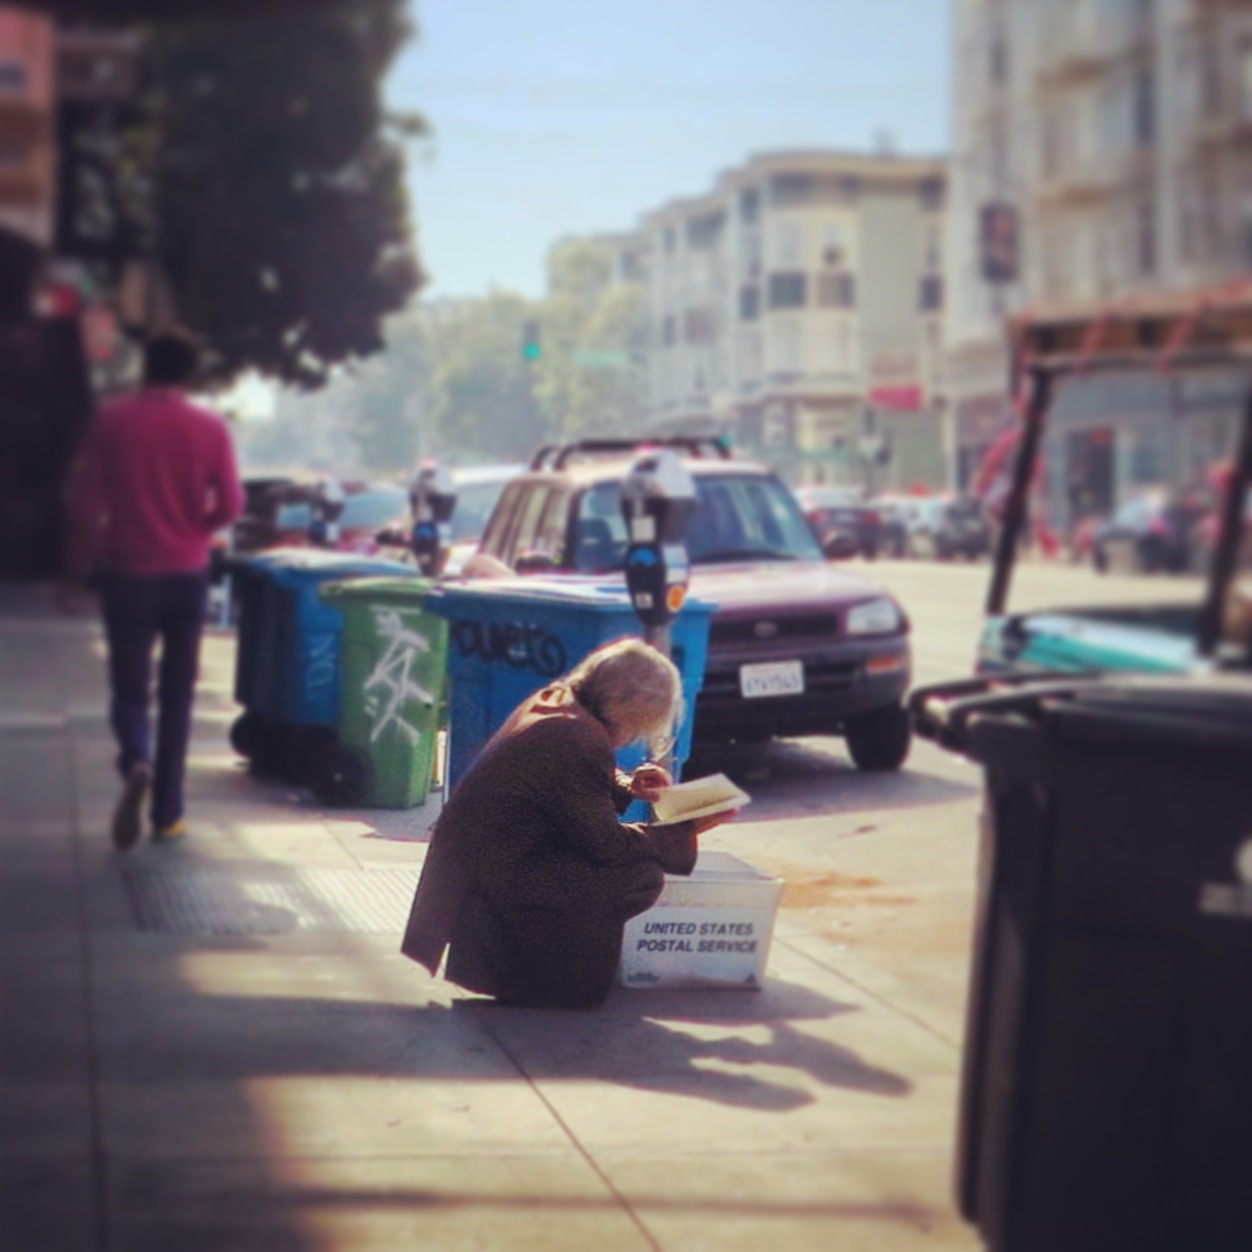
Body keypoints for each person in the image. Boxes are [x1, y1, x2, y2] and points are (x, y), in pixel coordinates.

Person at [401, 637, 735, 1010]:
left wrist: (627, 785)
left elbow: (568, 785)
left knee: (621, 866)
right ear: (627, 707)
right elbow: (604, 844)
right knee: (636, 876)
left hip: (488, 862)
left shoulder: (560, 700)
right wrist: (685, 830)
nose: (637, 736)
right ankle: (544, 982)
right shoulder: (577, 736)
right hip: (499, 875)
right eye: (641, 725)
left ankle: (536, 974)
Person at [62, 334, 244, 851]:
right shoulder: (208, 428)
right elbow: (229, 504)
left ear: (146, 368)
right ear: (186, 376)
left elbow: (83, 507)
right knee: (177, 697)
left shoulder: (113, 421)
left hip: (128, 575)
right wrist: (194, 526)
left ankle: (136, 759)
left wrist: (73, 577)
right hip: (187, 575)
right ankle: (168, 813)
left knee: (130, 690)